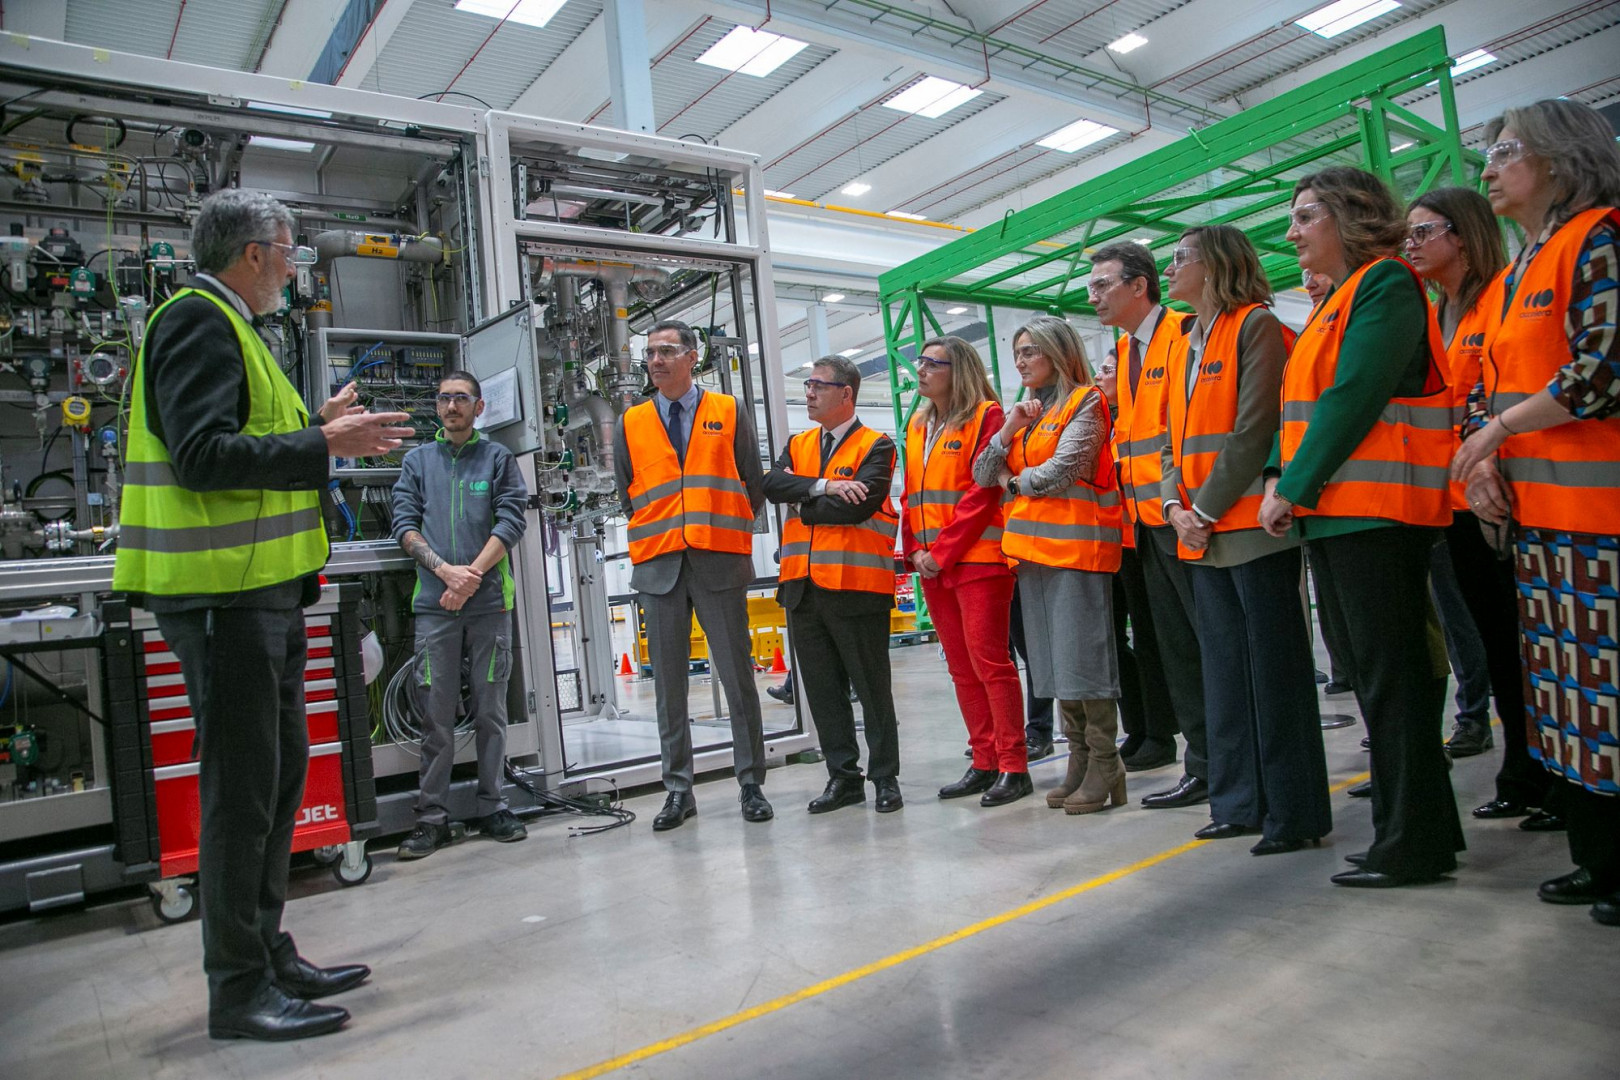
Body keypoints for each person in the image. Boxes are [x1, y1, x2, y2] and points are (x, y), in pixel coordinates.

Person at [113, 189, 411, 1040]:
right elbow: (202, 457)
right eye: (288, 252)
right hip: (224, 598)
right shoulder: (196, 321)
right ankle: (237, 989)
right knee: (241, 794)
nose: (293, 268)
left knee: (276, 781)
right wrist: (324, 445)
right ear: (253, 253)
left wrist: (317, 425)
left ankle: (266, 949)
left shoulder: (238, 328)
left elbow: (242, 440)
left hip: (263, 594)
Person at [1260, 166, 1466, 888]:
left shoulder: (1385, 284)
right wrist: (1286, 481)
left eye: (1306, 216)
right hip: (1338, 515)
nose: (1293, 232)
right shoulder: (1337, 301)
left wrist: (1292, 486)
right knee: (1377, 680)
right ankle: (1419, 831)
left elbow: (1355, 394)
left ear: (1350, 216)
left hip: (1376, 511)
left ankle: (1412, 844)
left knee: (1391, 679)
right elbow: (1306, 406)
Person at [1450, 99, 1620, 925]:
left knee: (1607, 697)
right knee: (1569, 700)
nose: (1489, 169)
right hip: (1545, 523)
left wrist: (1498, 433)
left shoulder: (1600, 239)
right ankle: (1600, 857)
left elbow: (1602, 370)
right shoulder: (1524, 266)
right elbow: (1489, 383)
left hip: (1603, 523)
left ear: (1559, 156)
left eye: (1507, 150)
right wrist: (1486, 457)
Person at [1162, 225, 1332, 855]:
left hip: (1251, 533)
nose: (1170, 268)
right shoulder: (1185, 342)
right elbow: (1169, 441)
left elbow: (1255, 428)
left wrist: (1202, 510)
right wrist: (1175, 507)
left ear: (1215, 265)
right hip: (1200, 536)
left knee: (1275, 676)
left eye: (1181, 258)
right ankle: (1237, 804)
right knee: (1226, 678)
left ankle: (1292, 812)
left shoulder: (1255, 326)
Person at [1404, 186, 1553, 821]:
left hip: (1505, 497)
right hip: (1456, 503)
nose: (1411, 245)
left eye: (1423, 232)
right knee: (1495, 642)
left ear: (1462, 236)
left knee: (1527, 645)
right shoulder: (1436, 311)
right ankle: (1524, 768)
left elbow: (1498, 393)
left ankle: (1545, 772)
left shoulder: (1500, 299)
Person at [613, 319, 772, 831]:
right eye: (650, 354)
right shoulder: (631, 421)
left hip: (718, 561)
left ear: (691, 357)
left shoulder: (728, 409)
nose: (656, 361)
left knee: (738, 677)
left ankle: (751, 783)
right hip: (659, 566)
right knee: (669, 688)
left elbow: (752, 482)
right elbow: (627, 492)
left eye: (666, 351)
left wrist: (716, 527)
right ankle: (678, 790)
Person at [973, 316, 1125, 813]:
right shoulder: (1027, 414)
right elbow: (981, 471)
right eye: (1017, 353)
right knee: (1054, 668)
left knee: (1083, 662)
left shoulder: (1086, 402)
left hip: (1079, 553)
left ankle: (1105, 763)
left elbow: (1063, 471)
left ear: (1058, 353)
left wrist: (1014, 483)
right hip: (1032, 558)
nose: (1020, 361)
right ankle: (1079, 760)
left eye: (1030, 351)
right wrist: (1009, 428)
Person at [391, 372, 530, 859]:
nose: (452, 406)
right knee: (436, 716)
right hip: (436, 606)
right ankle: (432, 818)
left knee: (491, 712)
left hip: (488, 604)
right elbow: (404, 525)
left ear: (478, 407)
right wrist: (445, 573)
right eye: (445, 398)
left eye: (461, 399)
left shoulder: (497, 458)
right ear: (438, 406)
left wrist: (469, 576)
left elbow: (511, 520)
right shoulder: (417, 462)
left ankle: (493, 806)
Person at [1090, 241, 1206, 798]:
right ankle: (1203, 765)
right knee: (1173, 649)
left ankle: (1220, 763)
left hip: (1183, 515)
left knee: (1202, 646)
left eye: (1103, 284)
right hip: (1145, 523)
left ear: (1139, 286)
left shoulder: (1183, 334)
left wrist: (1178, 505)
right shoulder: (1126, 349)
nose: (1093, 296)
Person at [764, 356, 903, 814]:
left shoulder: (876, 445)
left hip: (856, 588)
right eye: (807, 385)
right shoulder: (798, 443)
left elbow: (857, 508)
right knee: (823, 694)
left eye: (818, 386)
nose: (809, 393)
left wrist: (801, 502)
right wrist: (824, 486)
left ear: (846, 393)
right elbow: (772, 484)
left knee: (872, 690)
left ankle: (885, 778)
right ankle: (843, 779)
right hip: (802, 589)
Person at [900, 336, 1027, 805]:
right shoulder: (918, 425)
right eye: (921, 361)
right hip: (932, 565)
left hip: (978, 561)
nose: (921, 369)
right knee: (960, 668)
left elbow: (983, 492)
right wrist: (915, 552)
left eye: (933, 363)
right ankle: (984, 759)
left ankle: (1014, 765)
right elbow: (910, 495)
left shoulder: (986, 416)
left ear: (960, 370)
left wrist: (942, 551)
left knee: (989, 663)